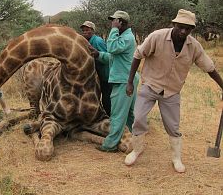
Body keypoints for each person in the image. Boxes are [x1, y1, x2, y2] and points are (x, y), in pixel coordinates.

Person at [124, 9, 223, 173]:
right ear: (174, 24)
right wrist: (129, 82)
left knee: (173, 126)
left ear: (191, 29)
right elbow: (138, 54)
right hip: (150, 85)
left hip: (172, 91)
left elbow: (209, 67)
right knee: (139, 118)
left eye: (188, 28)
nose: (183, 31)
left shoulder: (194, 46)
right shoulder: (157, 37)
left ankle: (176, 158)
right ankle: (137, 150)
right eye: (181, 27)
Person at [90, 11, 139, 152]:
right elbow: (113, 57)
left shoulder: (127, 37)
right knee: (130, 114)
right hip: (127, 79)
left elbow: (112, 48)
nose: (112, 23)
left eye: (114, 21)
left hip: (124, 81)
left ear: (120, 22)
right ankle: (134, 138)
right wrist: (98, 54)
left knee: (117, 114)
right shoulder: (124, 37)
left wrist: (113, 30)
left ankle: (109, 145)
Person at [80, 21, 112, 116]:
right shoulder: (86, 41)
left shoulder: (98, 41)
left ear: (93, 30)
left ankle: (110, 117)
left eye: (87, 30)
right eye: (83, 30)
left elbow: (107, 58)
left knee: (107, 98)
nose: (85, 32)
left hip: (106, 75)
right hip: (97, 75)